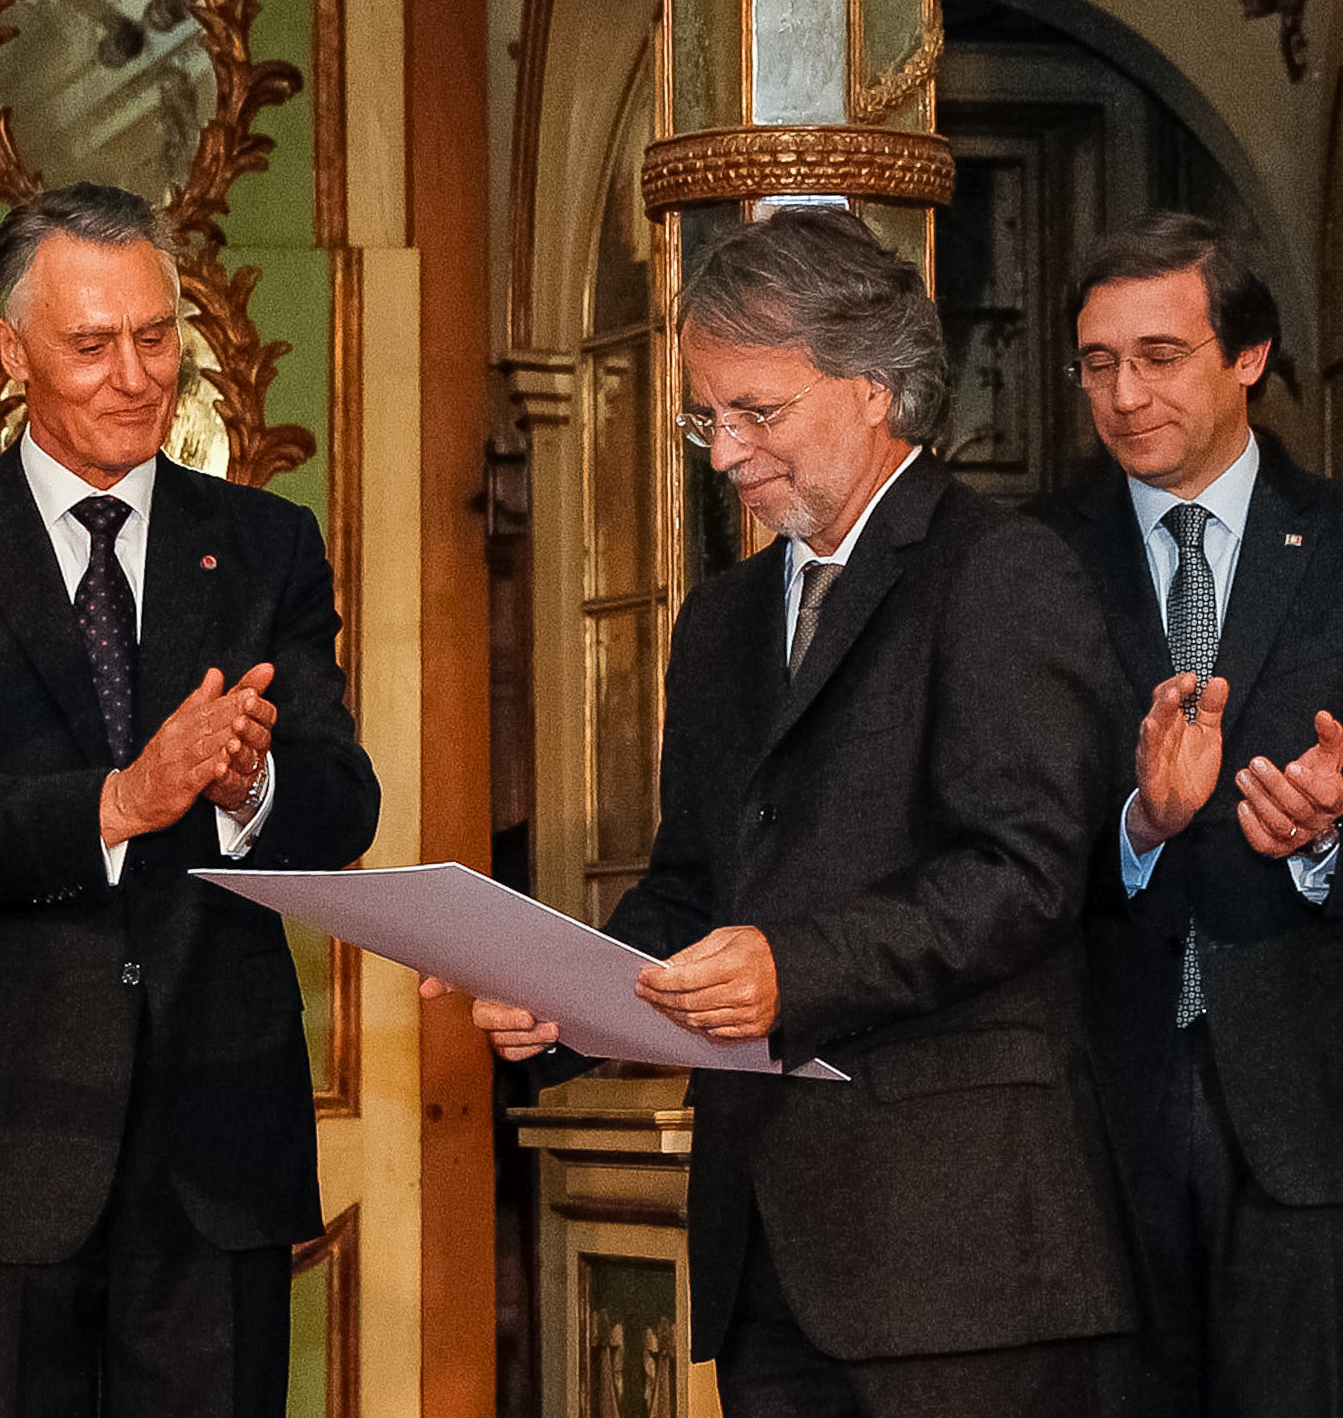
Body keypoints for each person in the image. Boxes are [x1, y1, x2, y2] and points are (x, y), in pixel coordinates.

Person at [444, 205, 1141, 1416]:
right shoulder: (718, 621)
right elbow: (691, 888)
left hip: (958, 1252)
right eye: (702, 416)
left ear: (874, 388)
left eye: (754, 413)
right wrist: (560, 993)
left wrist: (791, 970)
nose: (720, 453)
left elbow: (1022, 872)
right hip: (762, 1241)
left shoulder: (1000, 573)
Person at [0, 182, 379, 1418]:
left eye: (156, 336)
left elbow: (340, 803)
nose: (133, 375)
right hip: (2, 1144)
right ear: (9, 350)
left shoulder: (265, 545)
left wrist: (250, 787)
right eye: (91, 344)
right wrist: (119, 800)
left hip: (219, 1139)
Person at [1030, 213, 1343, 1418]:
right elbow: (995, 830)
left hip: (1322, 1116)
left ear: (1246, 357)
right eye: (1096, 362)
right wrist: (1135, 823)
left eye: (1158, 354)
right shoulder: (1030, 561)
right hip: (1096, 1115)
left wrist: (1332, 829)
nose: (1122, 393)